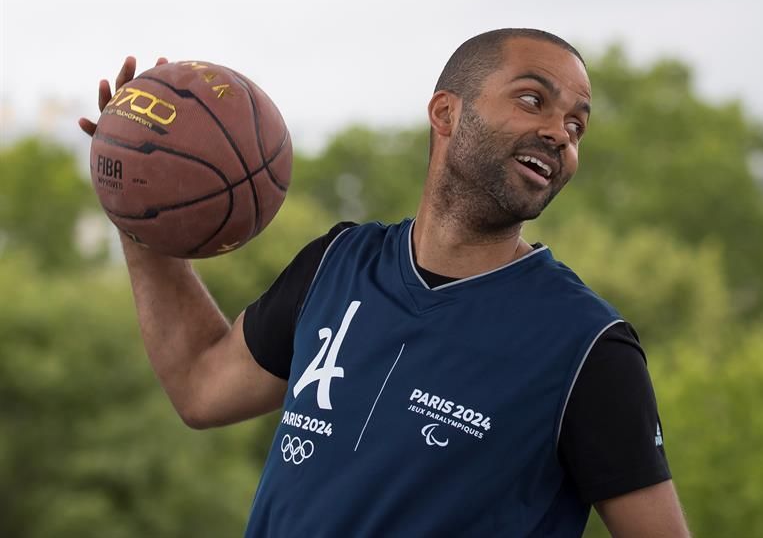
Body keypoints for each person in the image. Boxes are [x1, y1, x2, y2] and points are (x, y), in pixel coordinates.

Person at [80, 29, 691, 537]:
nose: (561, 133)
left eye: (578, 126)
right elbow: (201, 388)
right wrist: (141, 209)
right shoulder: (337, 263)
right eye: (534, 100)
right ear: (446, 112)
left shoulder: (587, 346)